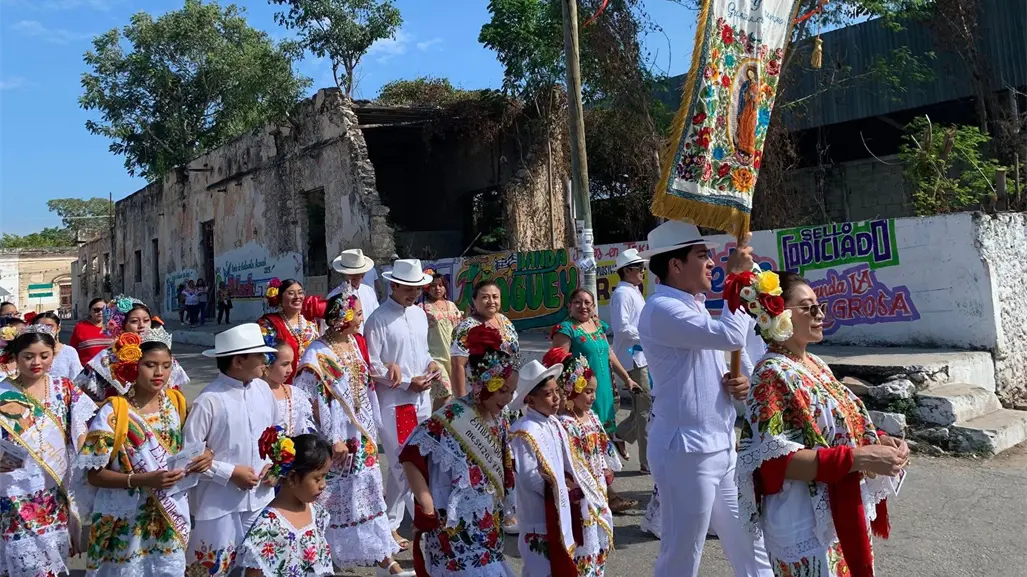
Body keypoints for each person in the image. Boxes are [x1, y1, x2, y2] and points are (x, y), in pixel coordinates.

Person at [727, 269, 907, 577]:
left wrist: (877, 439)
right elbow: (774, 461)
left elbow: (837, 421)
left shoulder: (813, 363)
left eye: (819, 305)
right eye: (807, 307)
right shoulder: (770, 374)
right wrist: (860, 457)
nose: (819, 314)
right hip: (803, 518)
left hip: (835, 505)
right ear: (778, 315)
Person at [636, 220, 772, 577]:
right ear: (675, 265)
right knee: (683, 553)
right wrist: (736, 280)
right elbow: (730, 336)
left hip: (721, 444)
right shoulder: (661, 308)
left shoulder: (693, 305)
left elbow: (709, 363)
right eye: (702, 256)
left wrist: (734, 383)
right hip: (686, 451)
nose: (712, 263)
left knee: (750, 542)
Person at [77, 327, 213, 576]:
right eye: (150, 365)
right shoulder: (114, 413)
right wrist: (143, 479)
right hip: (126, 521)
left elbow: (191, 448)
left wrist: (206, 456)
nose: (159, 372)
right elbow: (94, 475)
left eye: (166, 365)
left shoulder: (176, 404)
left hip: (168, 516)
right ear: (133, 367)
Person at [294, 289, 411, 576]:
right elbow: (307, 402)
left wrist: (389, 369)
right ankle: (322, 556)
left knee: (368, 496)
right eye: (358, 313)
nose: (361, 318)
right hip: (334, 442)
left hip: (361, 436)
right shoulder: (317, 353)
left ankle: (383, 557)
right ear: (342, 318)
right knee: (329, 500)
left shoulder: (353, 344)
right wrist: (332, 438)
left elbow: (363, 383)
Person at [399, 324, 518, 576]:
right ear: (484, 384)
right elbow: (410, 456)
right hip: (453, 520)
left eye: (511, 391)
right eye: (503, 390)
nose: (508, 398)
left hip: (488, 516)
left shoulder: (500, 417)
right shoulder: (451, 417)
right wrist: (426, 503)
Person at [182, 323, 280, 576]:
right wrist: (230, 472)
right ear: (238, 361)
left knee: (259, 565)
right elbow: (190, 456)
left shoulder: (263, 390)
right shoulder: (209, 400)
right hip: (219, 502)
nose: (265, 360)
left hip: (261, 497)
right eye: (259, 355)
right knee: (212, 568)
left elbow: (277, 434)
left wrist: (275, 466)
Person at [0, 324, 98, 576]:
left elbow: (81, 429)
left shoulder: (64, 388)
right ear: (15, 356)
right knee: (21, 558)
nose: (36, 362)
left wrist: (88, 458)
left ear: (54, 354)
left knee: (51, 557)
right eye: (28, 356)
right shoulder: (3, 392)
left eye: (44, 355)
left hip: (53, 486)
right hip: (13, 488)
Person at [364, 259, 441, 552]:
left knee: (410, 464)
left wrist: (431, 365)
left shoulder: (419, 315)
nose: (414, 294)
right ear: (393, 285)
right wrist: (408, 382)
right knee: (407, 466)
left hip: (422, 399)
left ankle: (390, 524)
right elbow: (372, 365)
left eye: (417, 289)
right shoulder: (378, 320)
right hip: (396, 404)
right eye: (408, 289)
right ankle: (428, 529)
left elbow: (423, 351)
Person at [550, 288, 638, 513]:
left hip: (603, 392)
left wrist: (627, 378)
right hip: (580, 395)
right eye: (578, 302)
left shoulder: (598, 326)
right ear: (570, 306)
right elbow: (557, 363)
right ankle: (604, 494)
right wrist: (561, 397)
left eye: (588, 302)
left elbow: (609, 354)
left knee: (602, 443)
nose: (583, 306)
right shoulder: (566, 329)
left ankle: (603, 490)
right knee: (589, 445)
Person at [509, 360, 589, 576]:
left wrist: (569, 481)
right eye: (548, 394)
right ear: (530, 400)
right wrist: (557, 488)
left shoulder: (553, 422)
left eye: (556, 391)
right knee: (540, 566)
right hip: (539, 510)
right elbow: (528, 476)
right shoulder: (524, 431)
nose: (556, 398)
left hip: (559, 502)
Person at [543, 347, 617, 574]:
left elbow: (601, 447)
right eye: (588, 391)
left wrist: (606, 467)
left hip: (597, 485)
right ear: (572, 391)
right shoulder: (565, 423)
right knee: (585, 535)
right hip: (580, 488)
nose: (592, 397)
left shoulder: (592, 417)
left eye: (594, 391)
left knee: (600, 535)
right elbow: (563, 459)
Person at [238, 430, 335, 577]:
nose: (323, 485)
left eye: (325, 477)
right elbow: (253, 573)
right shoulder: (268, 527)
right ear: (292, 478)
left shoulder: (315, 512)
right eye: (317, 479)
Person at [76, 296, 189, 403]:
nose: (142, 325)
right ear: (122, 325)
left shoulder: (161, 353)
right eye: (134, 321)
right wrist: (110, 407)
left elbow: (175, 393)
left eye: (146, 320)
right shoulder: (106, 358)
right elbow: (84, 399)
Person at [609, 248, 652, 474]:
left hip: (641, 356)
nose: (643, 272)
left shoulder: (633, 291)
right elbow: (622, 328)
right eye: (639, 268)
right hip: (632, 358)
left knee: (643, 408)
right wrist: (648, 335)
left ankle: (619, 434)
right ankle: (646, 461)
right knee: (645, 409)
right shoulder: (622, 294)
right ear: (627, 271)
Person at [450, 280, 519, 399]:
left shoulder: (505, 321)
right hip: (481, 396)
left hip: (508, 392)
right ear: (474, 300)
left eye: (495, 297)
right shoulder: (466, 327)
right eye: (485, 297)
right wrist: (461, 400)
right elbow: (458, 366)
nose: (491, 301)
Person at [257, 279, 320, 385]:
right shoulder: (268, 323)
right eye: (291, 293)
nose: (297, 297)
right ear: (279, 297)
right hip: (284, 380)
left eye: (300, 292)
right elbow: (264, 357)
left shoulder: (311, 320)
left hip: (312, 377)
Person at [420, 271, 461, 410]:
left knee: (455, 394)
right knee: (445, 393)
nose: (437, 288)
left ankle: (438, 420)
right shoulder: (423, 308)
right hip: (435, 358)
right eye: (433, 286)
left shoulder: (452, 306)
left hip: (453, 356)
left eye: (440, 285)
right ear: (427, 288)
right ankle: (435, 421)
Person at [265, 340, 315, 436]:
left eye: (291, 363)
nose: (290, 370)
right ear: (268, 364)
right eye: (285, 364)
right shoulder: (255, 393)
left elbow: (304, 428)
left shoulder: (296, 395)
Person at [328, 248, 380, 331]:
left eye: (361, 274)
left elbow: (377, 316)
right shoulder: (334, 297)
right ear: (344, 273)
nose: (358, 277)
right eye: (353, 275)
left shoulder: (369, 291)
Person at [30, 311, 83, 381]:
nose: (45, 329)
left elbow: (76, 379)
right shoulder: (28, 350)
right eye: (40, 326)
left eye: (49, 326)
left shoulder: (69, 352)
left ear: (58, 329)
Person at [70, 297, 113, 367]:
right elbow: (72, 352)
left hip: (111, 370)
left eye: (104, 309)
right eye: (96, 310)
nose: (100, 312)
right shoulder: (80, 327)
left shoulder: (114, 327)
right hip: (88, 370)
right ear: (90, 311)